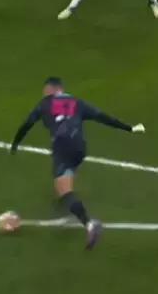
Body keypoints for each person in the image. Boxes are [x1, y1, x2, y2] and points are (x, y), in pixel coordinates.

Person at [10, 77, 145, 249]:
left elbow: (28, 123)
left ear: (50, 89)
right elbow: (101, 116)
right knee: (68, 170)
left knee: (64, 191)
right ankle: (67, 199)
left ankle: (89, 223)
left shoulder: (45, 103)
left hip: (62, 146)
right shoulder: (77, 103)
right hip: (79, 147)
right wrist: (129, 127)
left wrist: (15, 143)